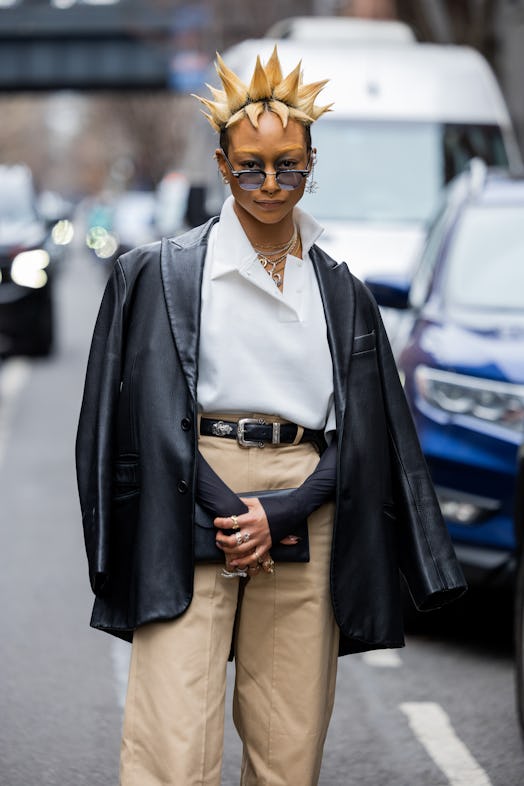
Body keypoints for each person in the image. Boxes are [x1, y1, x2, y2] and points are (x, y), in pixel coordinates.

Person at [76, 47, 466, 786]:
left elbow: (367, 432)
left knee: (289, 749)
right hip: (189, 496)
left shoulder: (343, 288)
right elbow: (136, 421)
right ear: (222, 165)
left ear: (311, 162)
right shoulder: (156, 274)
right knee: (171, 744)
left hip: (309, 505)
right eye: (251, 166)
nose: (269, 183)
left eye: (288, 165)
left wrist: (285, 510)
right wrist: (236, 512)